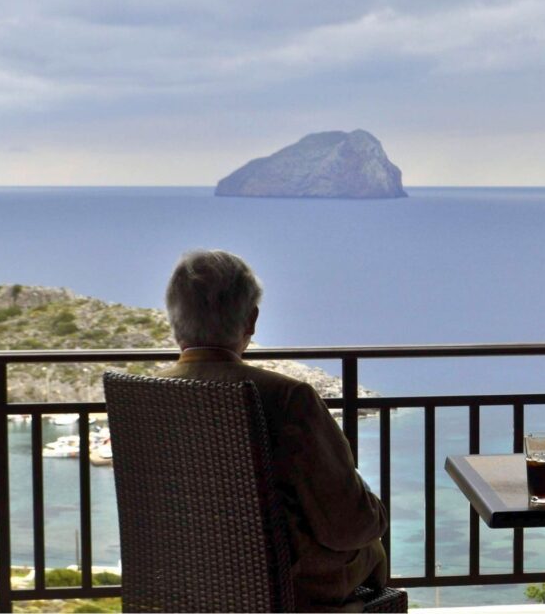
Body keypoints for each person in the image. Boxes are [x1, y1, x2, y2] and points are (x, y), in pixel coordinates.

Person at [160, 249, 389, 611]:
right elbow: (348, 524)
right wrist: (375, 514)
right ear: (250, 320)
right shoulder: (286, 399)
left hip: (181, 586)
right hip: (287, 592)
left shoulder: (151, 396)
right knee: (372, 546)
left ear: (173, 319)